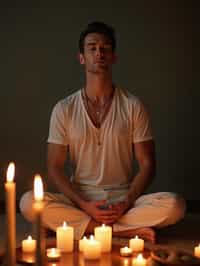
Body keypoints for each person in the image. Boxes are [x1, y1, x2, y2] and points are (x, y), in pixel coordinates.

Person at [20, 21, 186, 243]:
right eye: (92, 48)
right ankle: (121, 231)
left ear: (114, 56)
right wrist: (84, 204)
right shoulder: (64, 108)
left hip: (123, 199)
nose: (99, 53)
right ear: (82, 57)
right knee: (27, 202)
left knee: (175, 205)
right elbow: (54, 167)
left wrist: (125, 203)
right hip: (80, 198)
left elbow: (148, 164)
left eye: (105, 48)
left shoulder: (133, 106)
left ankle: (79, 228)